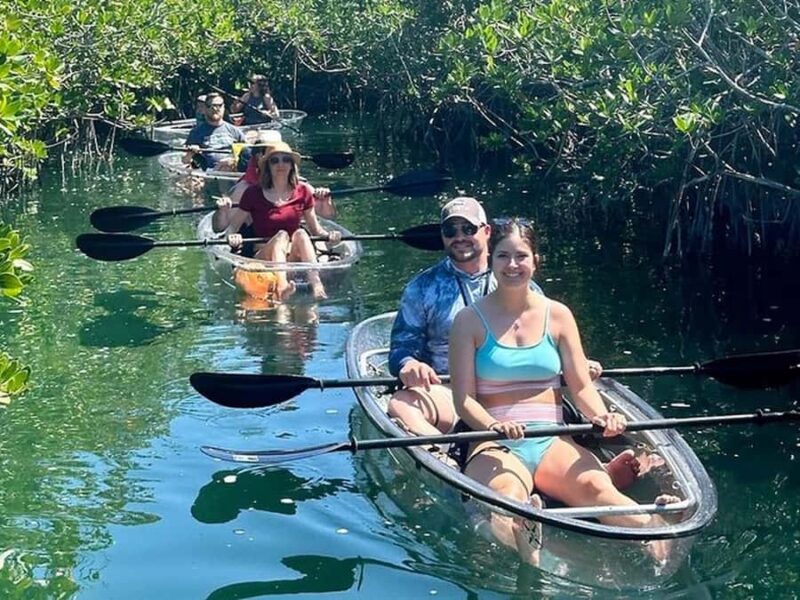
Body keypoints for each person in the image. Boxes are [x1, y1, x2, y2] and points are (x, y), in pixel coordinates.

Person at [448, 218, 678, 566]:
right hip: (495, 441)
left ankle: (657, 534)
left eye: (521, 256)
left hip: (553, 438)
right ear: (491, 261)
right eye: (503, 257)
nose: (512, 265)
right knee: (506, 495)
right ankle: (523, 533)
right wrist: (493, 427)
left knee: (598, 490)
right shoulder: (468, 321)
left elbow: (581, 383)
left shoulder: (558, 315)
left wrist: (599, 414)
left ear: (535, 260)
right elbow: (463, 400)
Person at [387, 197, 647, 487]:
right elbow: (401, 345)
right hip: (448, 390)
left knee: (560, 399)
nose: (460, 237)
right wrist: (408, 364)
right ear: (443, 237)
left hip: (519, 392)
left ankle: (589, 465)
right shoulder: (422, 287)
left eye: (468, 228)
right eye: (451, 231)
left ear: (486, 232)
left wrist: (575, 363)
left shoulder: (519, 277)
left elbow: (542, 339)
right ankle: (444, 456)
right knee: (400, 403)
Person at [214, 141, 342, 301]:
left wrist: (331, 236)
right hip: (263, 258)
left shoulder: (303, 191)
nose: (280, 164)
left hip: (292, 257)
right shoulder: (253, 193)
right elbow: (233, 228)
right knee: (281, 236)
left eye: (286, 159)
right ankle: (282, 287)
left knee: (301, 233)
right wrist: (233, 237)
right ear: (267, 166)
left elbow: (316, 230)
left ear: (292, 164)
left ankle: (316, 284)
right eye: (275, 160)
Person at [183, 93, 247, 171]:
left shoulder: (235, 131)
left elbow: (247, 154)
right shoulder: (196, 133)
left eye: (219, 105)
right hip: (210, 173)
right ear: (205, 109)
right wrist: (191, 153)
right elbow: (185, 161)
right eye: (211, 106)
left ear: (224, 107)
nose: (216, 109)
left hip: (233, 170)